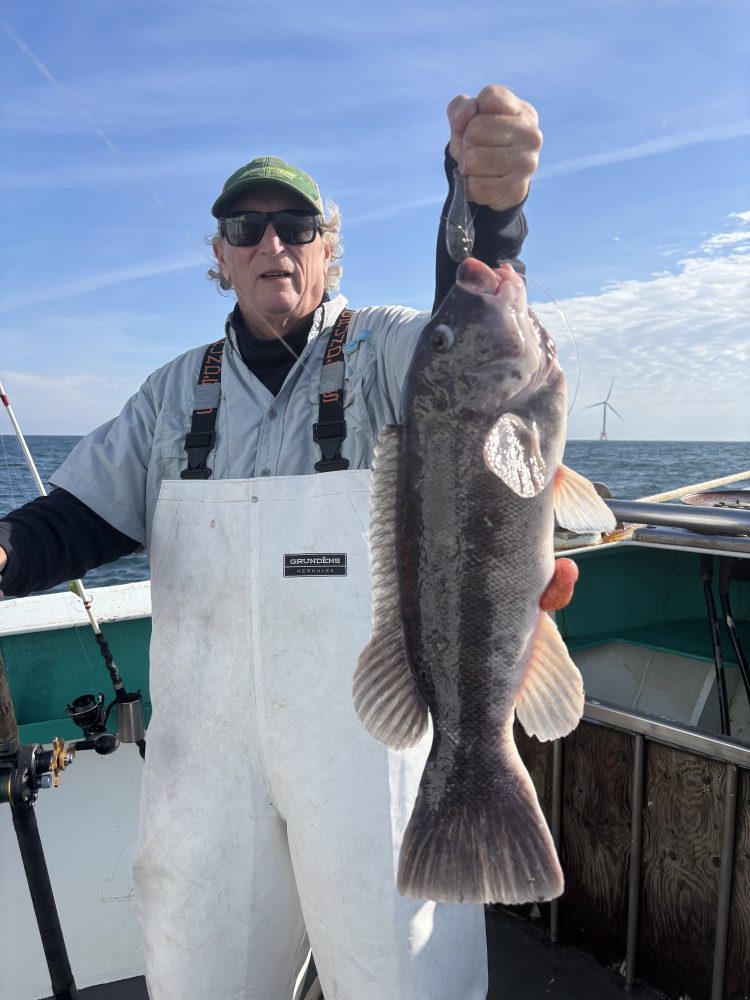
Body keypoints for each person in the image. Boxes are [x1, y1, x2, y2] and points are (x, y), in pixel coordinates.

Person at [0, 86, 554, 1000]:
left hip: (370, 752)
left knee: (399, 974)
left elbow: (469, 364)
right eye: (246, 227)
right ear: (219, 257)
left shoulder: (381, 354)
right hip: (205, 774)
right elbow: (74, 521)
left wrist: (488, 212)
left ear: (330, 250)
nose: (272, 244)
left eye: (296, 225)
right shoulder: (172, 396)